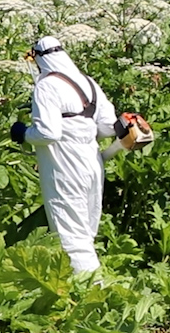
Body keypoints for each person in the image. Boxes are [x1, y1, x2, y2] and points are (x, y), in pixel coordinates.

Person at [10, 36, 119, 273]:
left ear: (40, 59)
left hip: (64, 164)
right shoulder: (88, 83)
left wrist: (23, 133)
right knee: (86, 230)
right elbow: (109, 126)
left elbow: (48, 133)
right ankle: (92, 285)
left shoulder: (47, 85)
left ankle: (90, 294)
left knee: (71, 235)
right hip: (92, 162)